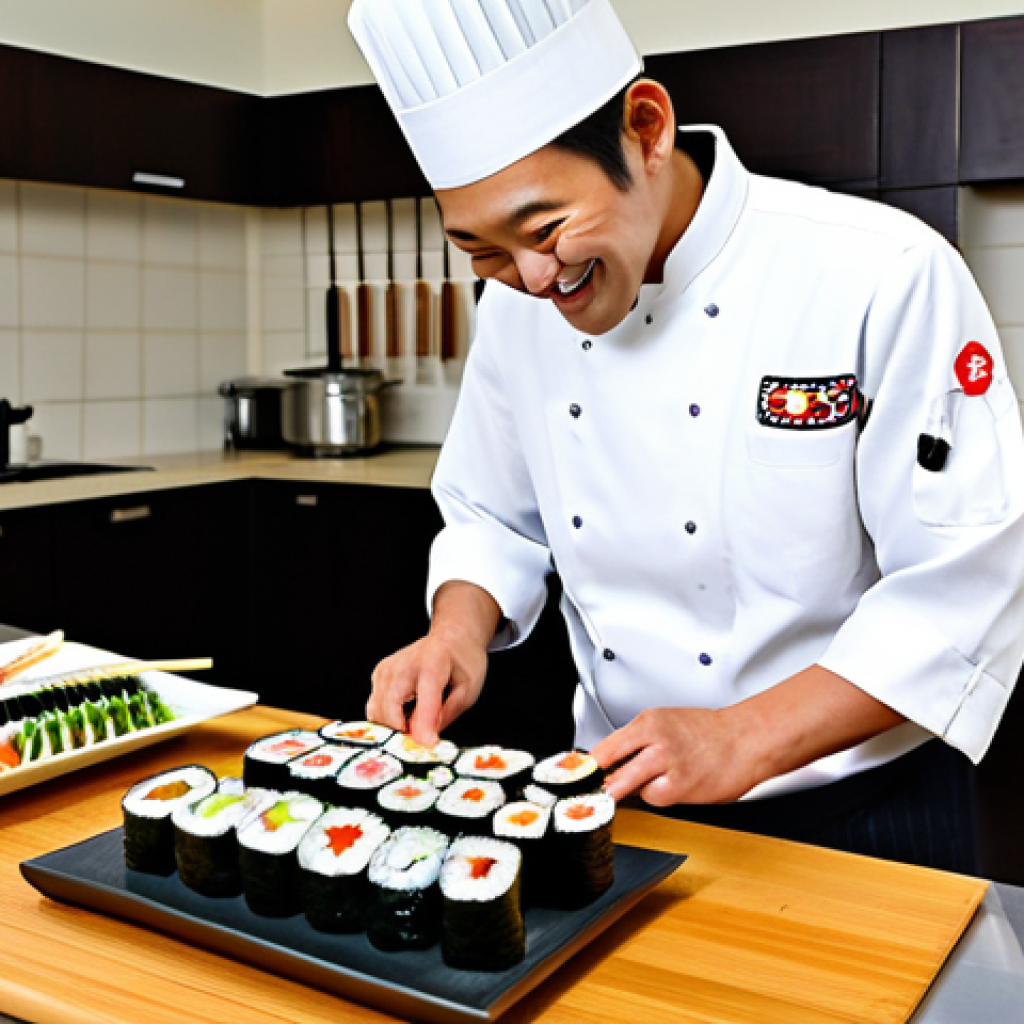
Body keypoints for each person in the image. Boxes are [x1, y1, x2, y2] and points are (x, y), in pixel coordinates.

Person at [348, 0, 1024, 871]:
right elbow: (491, 516)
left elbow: (964, 585)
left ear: (647, 128)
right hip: (627, 800)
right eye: (482, 252)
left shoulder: (880, 270)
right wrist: (455, 634)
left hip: (865, 813)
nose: (531, 279)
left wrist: (744, 737)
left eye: (545, 229)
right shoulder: (517, 310)